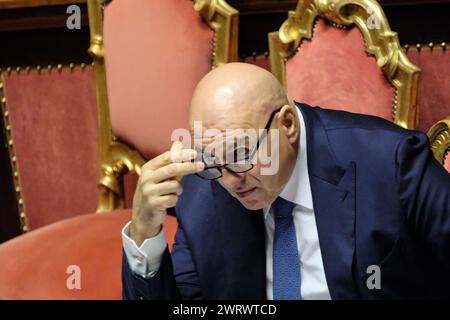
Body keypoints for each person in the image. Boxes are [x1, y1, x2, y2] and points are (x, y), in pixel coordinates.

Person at [121, 63, 450, 299]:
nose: (230, 179)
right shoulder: (202, 191)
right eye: (211, 159)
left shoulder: (389, 163)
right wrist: (143, 232)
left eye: (240, 152)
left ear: (288, 124)